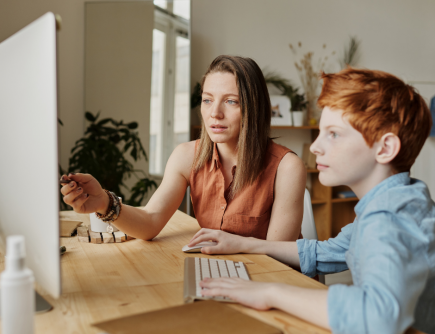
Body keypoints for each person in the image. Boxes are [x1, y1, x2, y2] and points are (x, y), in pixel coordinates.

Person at [190, 68, 435, 334]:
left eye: (334, 134)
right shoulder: (396, 201)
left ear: (385, 148)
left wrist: (271, 293)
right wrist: (243, 244)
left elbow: (378, 317)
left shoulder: (389, 218)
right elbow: (326, 252)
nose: (316, 147)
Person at [60, 55, 306, 242]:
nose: (214, 113)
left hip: (271, 283)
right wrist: (104, 202)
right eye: (207, 99)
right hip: (221, 274)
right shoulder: (187, 156)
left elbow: (277, 258)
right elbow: (150, 222)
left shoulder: (287, 167)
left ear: (254, 108)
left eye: (231, 101)